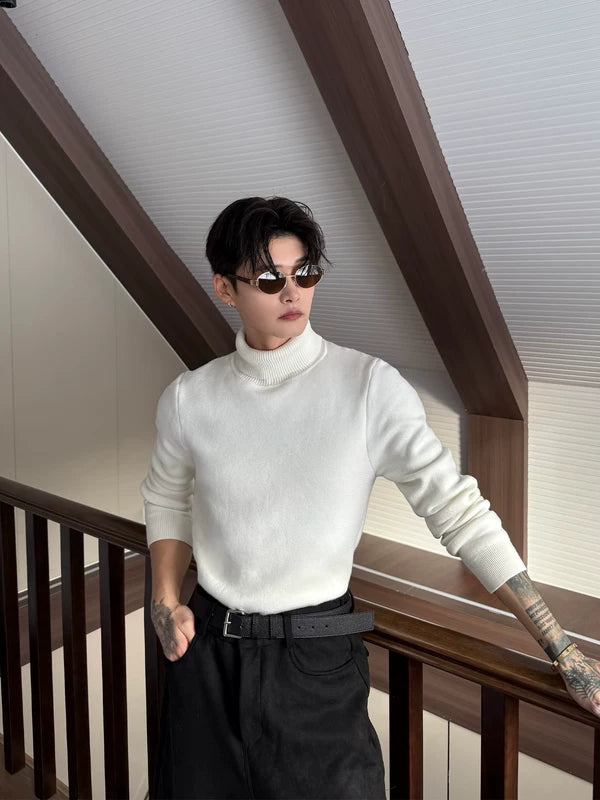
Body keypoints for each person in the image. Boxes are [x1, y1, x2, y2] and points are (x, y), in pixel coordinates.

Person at [140, 196, 600, 800]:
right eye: (270, 279)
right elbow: (167, 497)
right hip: (206, 651)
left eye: (305, 273)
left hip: (316, 655)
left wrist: (560, 645)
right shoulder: (189, 397)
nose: (293, 293)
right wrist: (164, 601)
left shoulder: (367, 387)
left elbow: (458, 512)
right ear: (225, 288)